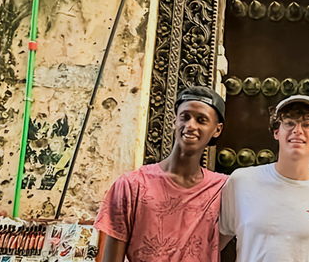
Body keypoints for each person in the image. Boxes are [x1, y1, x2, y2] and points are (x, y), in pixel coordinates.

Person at [95, 85, 226, 262]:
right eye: (184, 117)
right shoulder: (132, 185)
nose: (190, 125)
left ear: (217, 129)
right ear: (174, 121)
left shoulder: (223, 189)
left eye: (201, 120)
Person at [219, 95, 309, 261]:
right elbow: (214, 245)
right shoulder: (241, 181)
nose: (297, 130)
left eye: (307, 124)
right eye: (289, 123)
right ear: (276, 132)